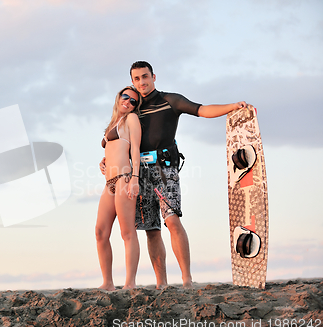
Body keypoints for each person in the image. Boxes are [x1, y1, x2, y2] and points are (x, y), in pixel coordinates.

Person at [101, 61, 249, 288]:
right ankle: (162, 283)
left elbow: (202, 110)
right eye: (137, 79)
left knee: (172, 220)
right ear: (132, 82)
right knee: (151, 229)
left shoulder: (170, 101)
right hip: (138, 173)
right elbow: (123, 141)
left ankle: (187, 279)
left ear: (153, 76)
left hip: (164, 169)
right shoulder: (133, 110)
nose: (142, 82)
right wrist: (108, 159)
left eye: (145, 76)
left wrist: (232, 106)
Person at [96, 86, 143, 291]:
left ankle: (130, 283)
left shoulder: (131, 119)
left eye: (134, 101)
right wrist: (103, 161)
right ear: (118, 97)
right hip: (109, 182)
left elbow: (135, 149)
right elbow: (113, 148)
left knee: (127, 232)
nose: (129, 102)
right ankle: (107, 282)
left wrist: (135, 178)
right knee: (100, 232)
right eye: (126, 97)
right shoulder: (113, 123)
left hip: (124, 178)